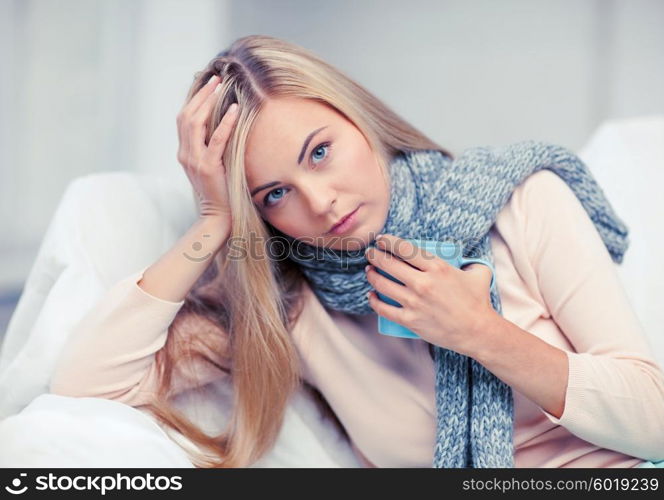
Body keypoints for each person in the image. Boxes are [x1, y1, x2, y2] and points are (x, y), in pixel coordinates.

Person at [50, 35, 664, 468]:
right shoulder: (286, 308)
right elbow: (83, 388)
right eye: (275, 192)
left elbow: (653, 417)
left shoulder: (520, 201)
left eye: (320, 151)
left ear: (359, 121)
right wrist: (213, 220)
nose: (318, 202)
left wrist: (480, 332)